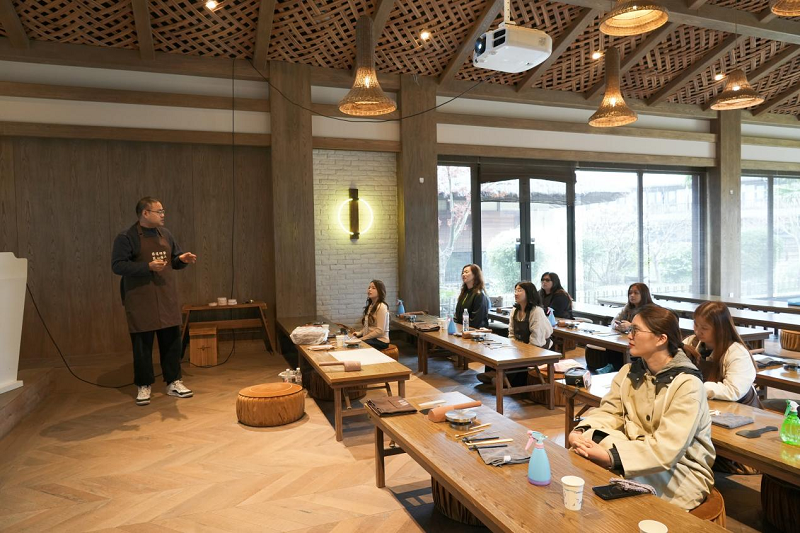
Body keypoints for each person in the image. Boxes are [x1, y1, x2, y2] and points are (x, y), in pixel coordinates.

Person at [567, 304, 715, 511]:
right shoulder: (629, 372)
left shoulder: (687, 384)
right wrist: (580, 431)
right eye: (630, 329)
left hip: (680, 470)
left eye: (636, 330)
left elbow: (667, 449)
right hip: (638, 454)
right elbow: (609, 412)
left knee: (599, 463)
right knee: (588, 442)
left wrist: (611, 457)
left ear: (661, 339)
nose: (629, 335)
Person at [112, 197, 197, 406]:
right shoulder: (126, 237)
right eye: (159, 211)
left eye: (163, 211)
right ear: (145, 213)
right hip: (140, 298)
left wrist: (182, 260)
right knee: (142, 344)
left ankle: (174, 382)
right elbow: (118, 265)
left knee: (171, 341)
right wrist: (147, 267)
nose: (163, 214)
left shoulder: (165, 234)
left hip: (166, 295)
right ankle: (144, 385)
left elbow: (174, 260)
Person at [478, 281, 554, 385]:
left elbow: (536, 340)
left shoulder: (536, 311)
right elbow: (511, 333)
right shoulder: (515, 310)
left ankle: (504, 380)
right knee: (495, 350)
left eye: (519, 290)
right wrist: (513, 347)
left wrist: (520, 352)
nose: (516, 293)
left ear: (529, 293)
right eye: (515, 290)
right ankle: (495, 374)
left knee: (518, 360)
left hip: (539, 348)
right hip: (521, 346)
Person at [683, 301, 759, 406]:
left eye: (704, 328)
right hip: (709, 404)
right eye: (696, 324)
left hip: (740, 407)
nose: (697, 331)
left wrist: (696, 387)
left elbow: (733, 390)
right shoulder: (691, 342)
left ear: (720, 329)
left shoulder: (736, 352)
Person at [354, 280, 390, 350]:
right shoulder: (371, 305)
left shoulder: (381, 306)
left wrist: (363, 338)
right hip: (371, 338)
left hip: (380, 341)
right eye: (369, 287)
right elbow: (368, 326)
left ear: (380, 291)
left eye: (373, 288)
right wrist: (360, 333)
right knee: (350, 342)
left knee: (356, 346)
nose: (370, 289)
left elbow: (380, 331)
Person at [454, 264, 489, 329]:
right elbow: (457, 314)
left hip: (475, 331)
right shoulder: (464, 293)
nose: (463, 274)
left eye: (466, 272)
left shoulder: (479, 295)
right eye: (463, 273)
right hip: (461, 329)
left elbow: (476, 321)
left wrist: (461, 328)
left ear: (475, 275)